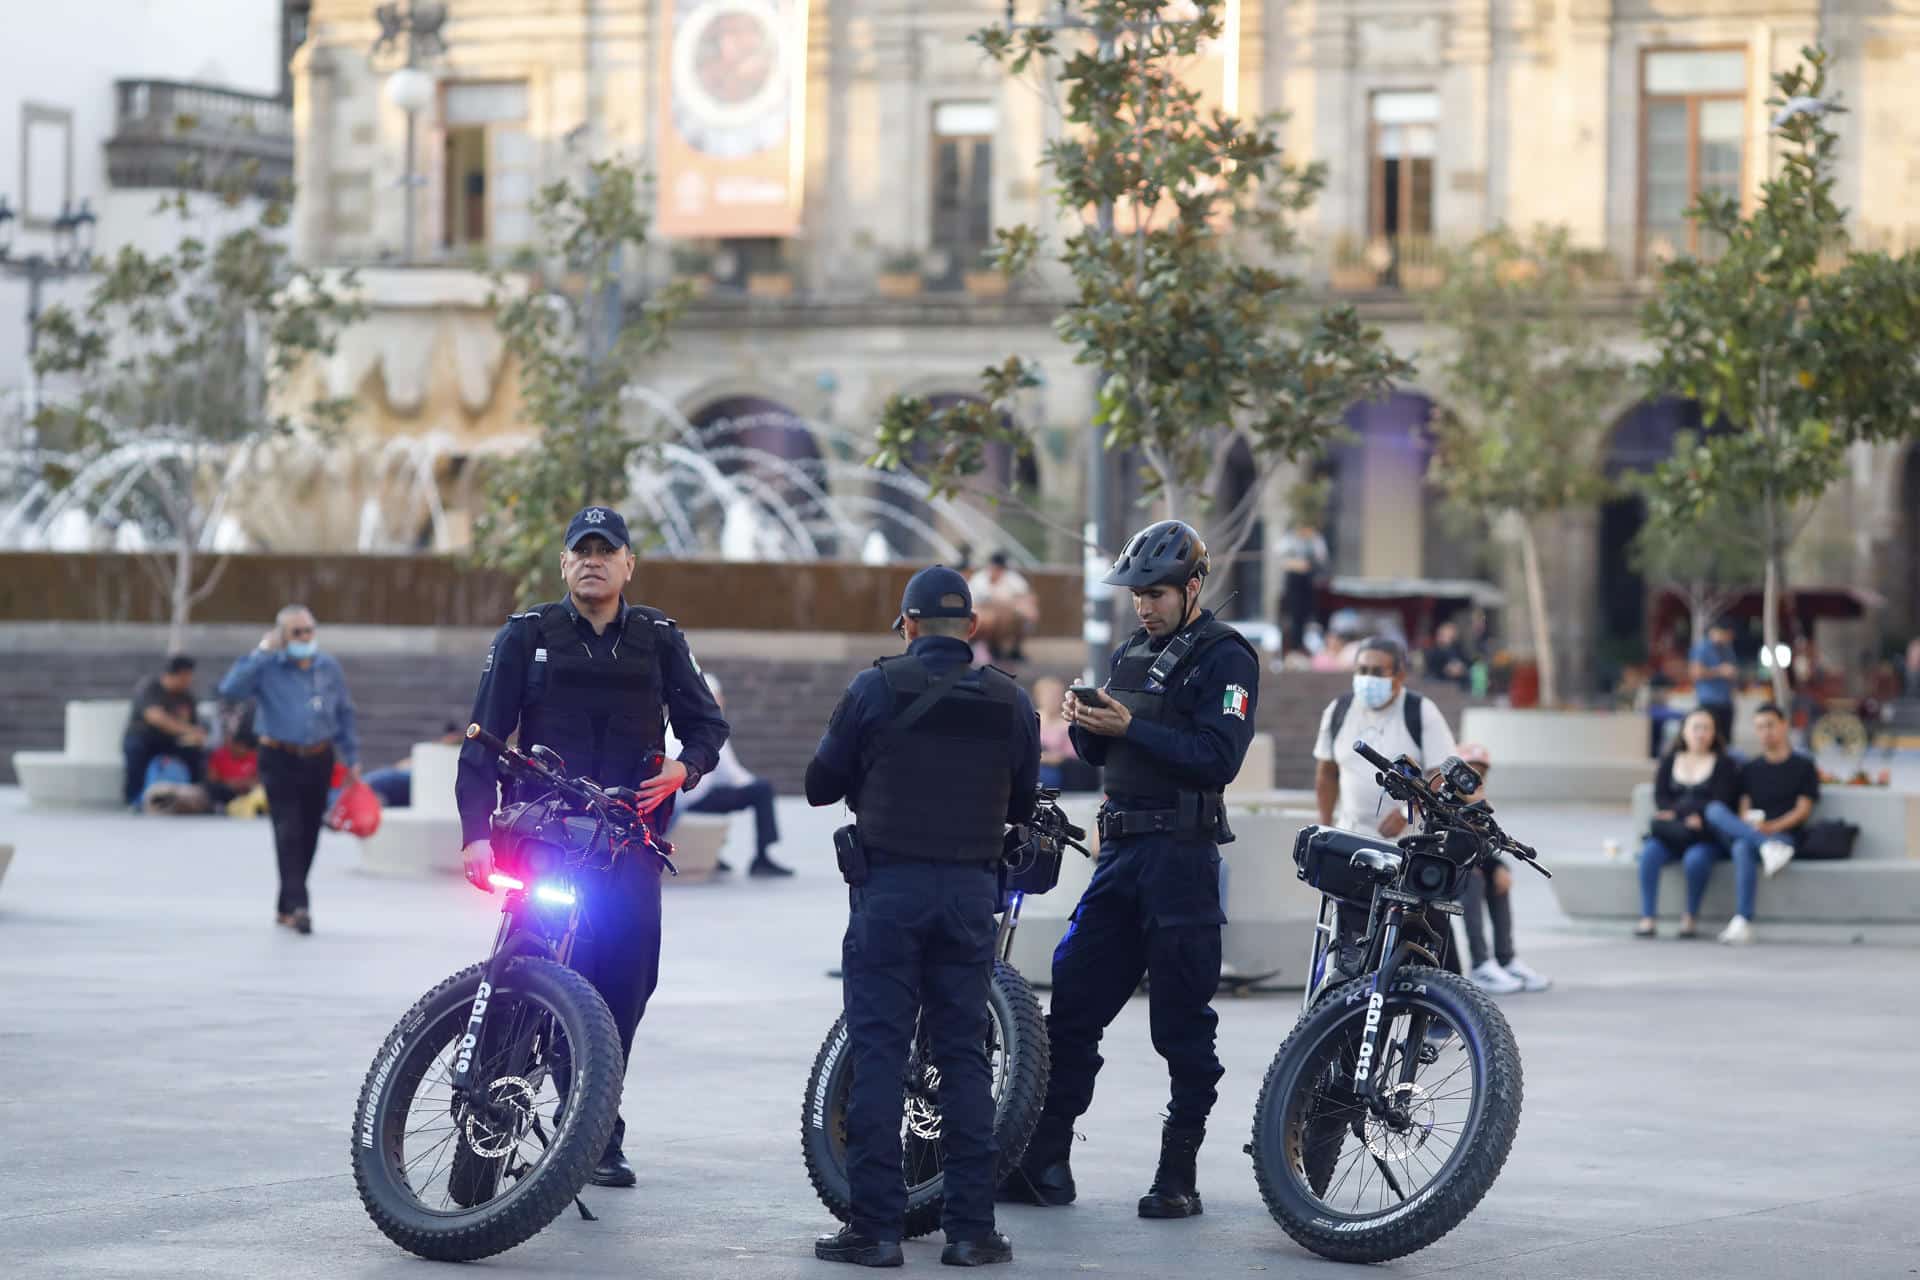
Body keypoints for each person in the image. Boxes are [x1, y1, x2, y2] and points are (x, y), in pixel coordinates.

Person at [455, 505, 729, 1190]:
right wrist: (472, 835)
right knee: (519, 974)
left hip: (625, 842)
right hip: (542, 836)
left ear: (628, 564)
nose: (594, 560)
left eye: (608, 551)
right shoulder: (527, 636)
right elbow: (482, 739)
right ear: (563, 564)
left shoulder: (660, 638)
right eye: (582, 550)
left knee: (625, 982)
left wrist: (683, 768)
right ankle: (489, 1119)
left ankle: (596, 1125)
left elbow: (707, 726)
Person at [1001, 519, 1260, 1221]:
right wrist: (1084, 724)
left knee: (1181, 1027)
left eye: (1157, 593)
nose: (1143, 605)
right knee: (1074, 1010)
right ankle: (1044, 1161)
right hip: (1117, 855)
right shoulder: (1127, 654)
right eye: (1136, 594)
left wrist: (1130, 728)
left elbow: (1218, 757)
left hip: (1180, 858)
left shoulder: (1226, 659)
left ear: (1193, 587)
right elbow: (1102, 756)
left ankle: (1178, 1174)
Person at [805, 565, 1037, 1268]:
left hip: (889, 894)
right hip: (970, 895)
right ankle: (971, 1232)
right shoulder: (1010, 701)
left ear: (906, 626)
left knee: (879, 1051)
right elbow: (1023, 805)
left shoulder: (874, 687)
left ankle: (875, 1231)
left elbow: (820, 784)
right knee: (964, 1058)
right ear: (970, 628)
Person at [218, 606, 360, 935]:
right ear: (282, 636)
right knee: (288, 828)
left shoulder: (328, 667)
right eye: (297, 632)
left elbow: (344, 711)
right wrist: (262, 651)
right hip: (278, 756)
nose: (305, 637)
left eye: (309, 630)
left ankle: (286, 903)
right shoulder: (266, 665)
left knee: (309, 833)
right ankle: (300, 905)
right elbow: (229, 690)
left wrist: (351, 755)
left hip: (319, 756)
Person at [1698, 703, 1819, 945]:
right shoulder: (1750, 768)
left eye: (1770, 725)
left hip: (1785, 835)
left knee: (1742, 846)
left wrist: (1772, 828)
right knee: (1716, 813)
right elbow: (1745, 807)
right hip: (1757, 833)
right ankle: (1765, 849)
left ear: (1784, 725)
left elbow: (1803, 810)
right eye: (1760, 727)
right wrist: (1756, 830)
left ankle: (1743, 919)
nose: (1765, 732)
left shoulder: (1804, 766)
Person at [669, 674, 793, 877]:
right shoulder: (708, 728)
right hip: (690, 799)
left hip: (675, 798)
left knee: (720, 792)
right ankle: (762, 856)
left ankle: (712, 854)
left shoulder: (672, 721)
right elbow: (735, 777)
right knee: (762, 790)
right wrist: (757, 787)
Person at [1633, 707, 1740, 939]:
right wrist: (1684, 816)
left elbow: (1721, 801)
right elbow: (1661, 798)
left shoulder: (1724, 764)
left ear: (1714, 733)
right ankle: (1647, 917)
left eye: (1706, 728)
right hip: (1674, 833)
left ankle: (1689, 917)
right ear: (1684, 732)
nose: (1700, 734)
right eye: (1696, 728)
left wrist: (1685, 813)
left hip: (1705, 835)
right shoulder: (1670, 761)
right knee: (1650, 854)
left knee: (1696, 860)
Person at [1450, 744, 1550, 993]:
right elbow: (1452, 847)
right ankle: (1481, 964)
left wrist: (1499, 867)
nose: (1476, 778)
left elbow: (1485, 846)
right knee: (1473, 879)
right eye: (1470, 771)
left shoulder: (1479, 808)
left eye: (1481, 772)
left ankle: (1506, 959)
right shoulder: (1443, 805)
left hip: (1464, 870)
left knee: (1498, 878)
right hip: (1440, 874)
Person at [122, 655, 207, 808]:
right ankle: (134, 798)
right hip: (145, 738)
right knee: (135, 748)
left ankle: (195, 797)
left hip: (172, 741)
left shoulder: (186, 697)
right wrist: (186, 729)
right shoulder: (150, 688)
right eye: (186, 676)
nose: (189, 681)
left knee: (196, 752)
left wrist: (196, 736)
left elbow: (194, 724)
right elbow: (155, 717)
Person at [362, 721, 464, 808]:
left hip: (414, 778)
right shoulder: (437, 748)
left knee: (384, 778)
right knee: (383, 777)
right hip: (408, 775)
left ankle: (359, 788)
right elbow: (403, 764)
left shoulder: (448, 750)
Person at [967, 551, 1039, 662]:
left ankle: (1015, 649)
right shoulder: (979, 580)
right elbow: (972, 604)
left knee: (1025, 614)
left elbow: (1028, 597)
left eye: (1000, 568)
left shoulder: (1012, 578)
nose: (997, 571)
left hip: (1008, 613)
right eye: (995, 567)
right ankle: (985, 647)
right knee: (989, 618)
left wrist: (1020, 606)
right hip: (984, 614)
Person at [1275, 520, 1328, 655]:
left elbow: (1321, 558)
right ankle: (1293, 646)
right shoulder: (1289, 540)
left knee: (1307, 618)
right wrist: (1297, 565)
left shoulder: (1315, 540)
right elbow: (1281, 558)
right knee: (1293, 619)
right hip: (1293, 586)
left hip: (1308, 585)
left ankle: (1302, 646)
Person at [1688, 620, 1741, 748]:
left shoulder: (1727, 649)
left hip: (1726, 700)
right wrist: (1720, 671)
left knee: (1725, 740)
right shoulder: (1702, 648)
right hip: (1709, 701)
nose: (1728, 638)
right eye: (1727, 635)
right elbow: (1695, 672)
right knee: (1709, 738)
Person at [1031, 676, 1075, 790]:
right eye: (1048, 695)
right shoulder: (1030, 719)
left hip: (1057, 773)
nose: (1052, 699)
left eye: (1056, 695)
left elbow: (1066, 757)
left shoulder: (1067, 722)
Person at [1422, 619, 1473, 690]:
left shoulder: (1458, 651)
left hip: (1457, 689)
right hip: (1438, 687)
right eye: (1441, 635)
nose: (1441, 638)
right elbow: (1433, 668)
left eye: (1445, 635)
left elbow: (1466, 664)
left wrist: (1462, 669)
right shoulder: (1433, 652)